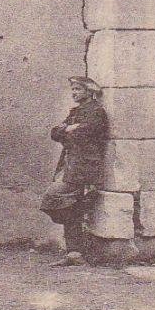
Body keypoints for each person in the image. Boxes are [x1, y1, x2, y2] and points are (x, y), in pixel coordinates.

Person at [41, 76, 110, 266]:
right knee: (69, 207)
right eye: (72, 90)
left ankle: (78, 250)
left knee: (55, 197)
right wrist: (69, 129)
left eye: (78, 90)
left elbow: (84, 134)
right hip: (71, 164)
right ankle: (74, 252)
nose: (74, 93)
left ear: (89, 92)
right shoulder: (75, 112)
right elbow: (55, 133)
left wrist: (70, 131)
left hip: (84, 166)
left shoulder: (96, 112)